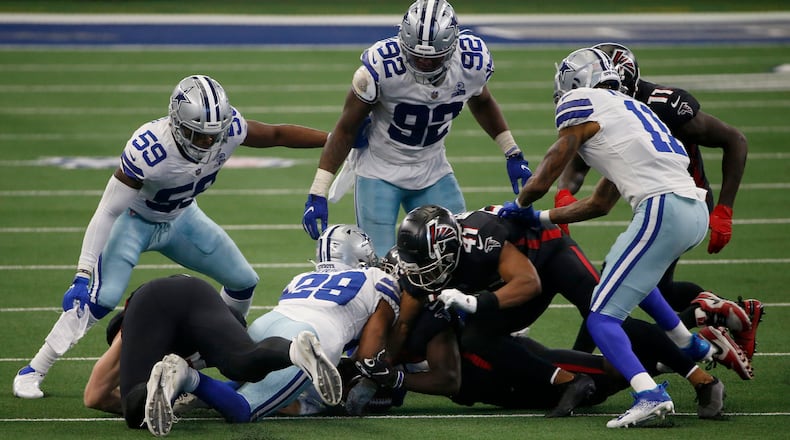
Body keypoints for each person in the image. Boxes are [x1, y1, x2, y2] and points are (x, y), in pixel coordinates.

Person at [13, 74, 328, 400]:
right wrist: (83, 272)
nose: (208, 143)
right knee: (99, 298)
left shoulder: (228, 129)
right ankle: (34, 369)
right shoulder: (150, 149)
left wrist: (333, 139)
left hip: (182, 218)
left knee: (243, 279)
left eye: (213, 135)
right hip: (135, 222)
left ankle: (206, 351)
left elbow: (275, 134)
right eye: (198, 135)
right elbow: (108, 210)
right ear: (177, 124)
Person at [498, 47, 719, 428]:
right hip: (694, 209)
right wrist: (540, 216)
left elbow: (554, 161)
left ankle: (649, 394)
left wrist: (521, 199)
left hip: (663, 209)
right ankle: (690, 343)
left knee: (601, 317)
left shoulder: (581, 102)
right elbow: (600, 203)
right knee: (626, 272)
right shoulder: (631, 111)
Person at [553, 42, 763, 360]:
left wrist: (724, 208)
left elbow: (735, 139)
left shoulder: (663, 104)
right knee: (655, 288)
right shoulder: (605, 107)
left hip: (678, 200)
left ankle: (585, 362)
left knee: (615, 278)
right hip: (653, 203)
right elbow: (579, 161)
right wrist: (564, 194)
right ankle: (729, 314)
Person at [300, 0, 532, 257]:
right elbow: (345, 130)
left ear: (452, 47)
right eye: (416, 55)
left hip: (433, 169)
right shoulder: (380, 68)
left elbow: (483, 101)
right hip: (379, 171)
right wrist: (318, 190)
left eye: (432, 58)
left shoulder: (471, 62)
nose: (422, 62)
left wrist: (511, 151)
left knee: (457, 256)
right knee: (380, 267)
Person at [141, 224, 402, 435]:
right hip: (314, 334)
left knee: (251, 369)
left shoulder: (301, 278)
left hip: (268, 323)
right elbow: (368, 357)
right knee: (244, 410)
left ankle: (195, 387)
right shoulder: (379, 280)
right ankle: (187, 377)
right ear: (360, 253)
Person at [393, 204, 598, 417]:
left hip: (549, 250)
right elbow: (404, 325)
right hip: (522, 277)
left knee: (602, 314)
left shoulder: (479, 238)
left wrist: (475, 303)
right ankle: (570, 381)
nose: (420, 273)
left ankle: (633, 381)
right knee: (476, 336)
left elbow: (528, 282)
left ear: (448, 247)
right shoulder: (424, 268)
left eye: (426, 263)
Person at [82, 274, 341, 435]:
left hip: (155, 300)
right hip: (203, 296)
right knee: (242, 362)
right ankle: (294, 349)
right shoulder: (182, 344)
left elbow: (94, 396)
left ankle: (152, 394)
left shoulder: (130, 332)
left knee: (134, 408)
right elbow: (236, 376)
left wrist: (146, 400)